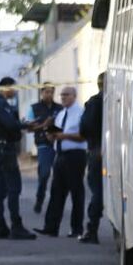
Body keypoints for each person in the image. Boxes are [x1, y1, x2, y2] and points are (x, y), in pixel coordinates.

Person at [0, 77, 39, 240]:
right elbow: (10, 124)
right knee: (13, 188)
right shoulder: (0, 103)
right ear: (6, 88)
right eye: (14, 88)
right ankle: (16, 226)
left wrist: (22, 125)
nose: (15, 92)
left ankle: (0, 226)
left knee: (0, 188)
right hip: (4, 149)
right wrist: (27, 125)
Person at [35, 86, 87, 238]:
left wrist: (63, 136)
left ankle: (76, 229)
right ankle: (51, 227)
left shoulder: (80, 113)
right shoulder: (60, 114)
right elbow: (54, 135)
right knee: (56, 191)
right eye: (62, 95)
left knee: (76, 193)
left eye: (67, 95)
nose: (63, 98)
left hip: (75, 155)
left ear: (74, 96)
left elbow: (83, 136)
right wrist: (50, 135)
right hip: (60, 155)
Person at [25, 83, 63, 214]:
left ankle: (55, 205)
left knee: (59, 177)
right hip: (43, 145)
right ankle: (39, 199)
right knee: (44, 174)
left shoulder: (60, 108)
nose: (49, 94)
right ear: (41, 93)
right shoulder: (34, 108)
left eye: (51, 92)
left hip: (58, 145)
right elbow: (29, 129)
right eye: (46, 92)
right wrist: (44, 125)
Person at [78, 73, 106, 244]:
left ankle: (92, 229)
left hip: (96, 150)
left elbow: (84, 128)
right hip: (116, 150)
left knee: (97, 190)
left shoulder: (94, 102)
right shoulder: (121, 101)